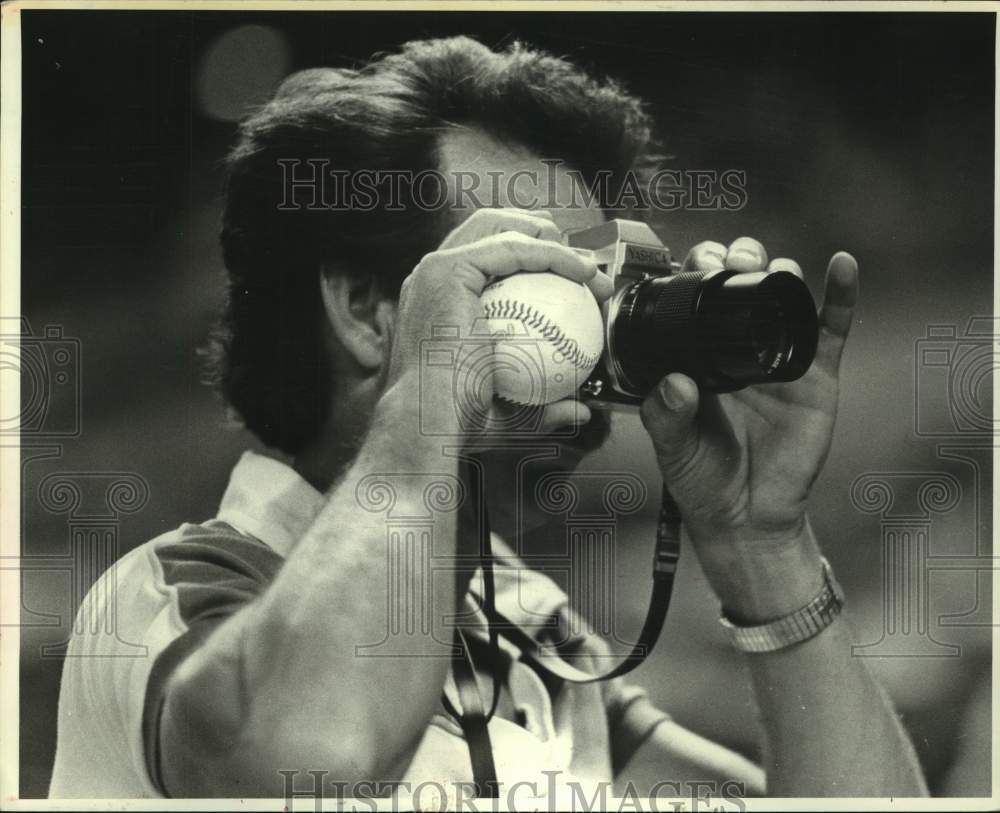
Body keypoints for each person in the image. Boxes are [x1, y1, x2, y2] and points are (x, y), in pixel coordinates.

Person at [49, 35, 928, 800]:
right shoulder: (169, 594)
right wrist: (431, 393)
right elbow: (303, 758)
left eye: (605, 278)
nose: (590, 327)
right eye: (542, 270)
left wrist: (762, 543)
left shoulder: (530, 638)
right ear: (366, 309)